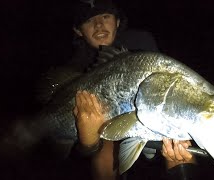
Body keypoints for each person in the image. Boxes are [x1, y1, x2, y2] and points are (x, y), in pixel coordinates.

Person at [41, 0, 198, 179]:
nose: (99, 24)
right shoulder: (76, 65)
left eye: (105, 16)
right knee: (103, 152)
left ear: (117, 21)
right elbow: (81, 153)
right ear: (78, 31)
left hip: (144, 119)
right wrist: (88, 142)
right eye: (88, 20)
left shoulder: (140, 41)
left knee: (181, 145)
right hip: (105, 131)